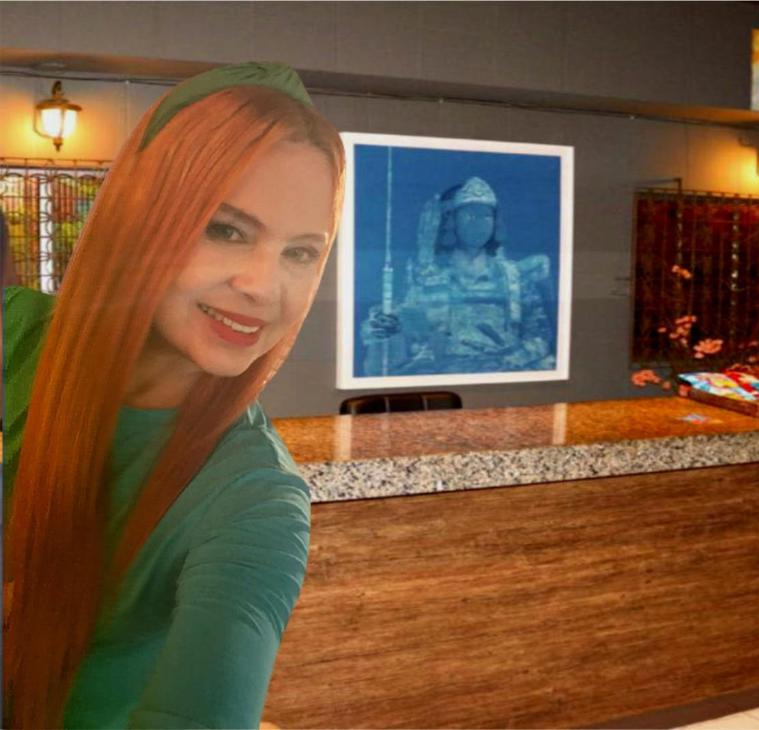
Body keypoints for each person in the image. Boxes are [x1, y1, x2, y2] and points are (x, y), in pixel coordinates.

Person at [2, 62, 344, 728]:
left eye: (301, 252)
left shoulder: (254, 498)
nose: (262, 284)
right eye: (226, 230)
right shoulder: (14, 333)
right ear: (139, 219)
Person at [360, 176, 555, 376]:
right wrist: (385, 325)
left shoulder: (515, 277)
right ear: (452, 221)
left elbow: (540, 336)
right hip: (438, 375)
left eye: (486, 215)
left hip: (502, 373)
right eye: (469, 215)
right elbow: (399, 323)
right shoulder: (424, 277)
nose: (479, 223)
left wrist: (511, 359)